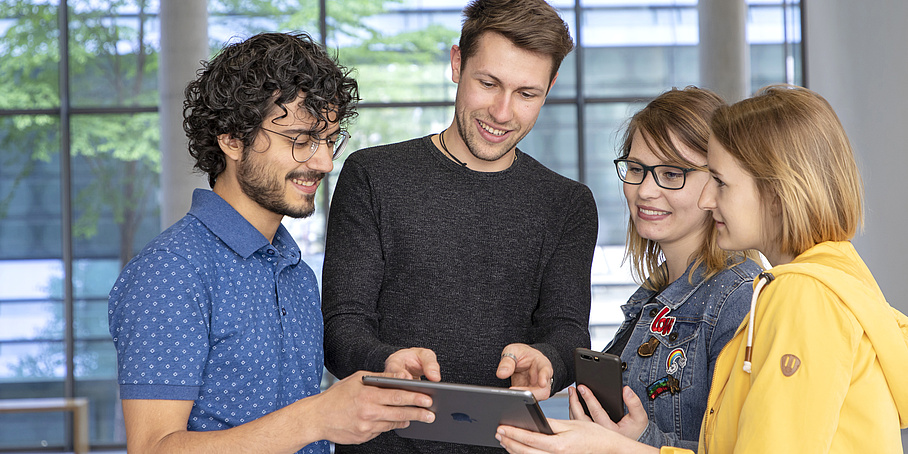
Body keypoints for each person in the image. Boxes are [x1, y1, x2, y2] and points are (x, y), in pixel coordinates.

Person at [496, 84, 908, 453]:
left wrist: (617, 449)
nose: (710, 200)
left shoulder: (798, 294)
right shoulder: (818, 282)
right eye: (636, 169)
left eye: (719, 181)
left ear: (777, 192)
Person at [107, 32, 434, 454]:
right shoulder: (171, 272)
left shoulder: (294, 272)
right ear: (231, 138)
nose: (324, 162)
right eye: (301, 140)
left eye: (329, 139)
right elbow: (152, 448)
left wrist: (379, 370)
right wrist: (316, 416)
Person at [321, 0, 597, 452]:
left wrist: (547, 360)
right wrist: (384, 361)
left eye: (527, 94)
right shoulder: (373, 175)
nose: (503, 112)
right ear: (456, 64)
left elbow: (568, 332)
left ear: (551, 87)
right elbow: (341, 326)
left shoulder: (567, 204)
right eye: (488, 83)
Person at [576, 87, 761, 449]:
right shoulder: (653, 296)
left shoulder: (738, 298)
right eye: (636, 169)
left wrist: (638, 443)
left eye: (672, 173)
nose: (645, 190)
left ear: (717, 181)